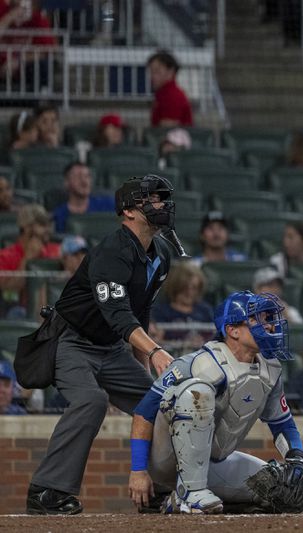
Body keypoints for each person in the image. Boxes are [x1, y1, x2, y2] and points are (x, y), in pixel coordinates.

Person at [26, 175, 176, 515]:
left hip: (111, 349)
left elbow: (141, 312)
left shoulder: (162, 253)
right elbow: (119, 315)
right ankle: (47, 490)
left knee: (161, 401)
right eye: (150, 200)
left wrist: (142, 366)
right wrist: (154, 350)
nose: (160, 205)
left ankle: (158, 488)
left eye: (161, 198)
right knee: (91, 400)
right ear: (128, 211)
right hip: (72, 341)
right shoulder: (112, 250)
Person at [127, 291, 303, 514]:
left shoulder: (270, 369)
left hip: (213, 461)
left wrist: (297, 456)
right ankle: (187, 493)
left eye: (268, 318)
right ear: (232, 330)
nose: (269, 326)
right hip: (166, 460)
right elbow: (143, 412)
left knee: (283, 490)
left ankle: (170, 501)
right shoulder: (197, 362)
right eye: (256, 319)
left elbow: (283, 424)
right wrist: (138, 471)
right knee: (196, 393)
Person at [0, 204, 60, 304]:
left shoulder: (55, 251)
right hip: (19, 313)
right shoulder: (4, 256)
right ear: (26, 227)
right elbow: (9, 294)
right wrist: (27, 259)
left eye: (48, 224)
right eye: (42, 224)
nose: (48, 229)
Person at [150, 261, 214, 349]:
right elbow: (156, 342)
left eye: (194, 288)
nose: (189, 292)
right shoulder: (159, 312)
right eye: (185, 288)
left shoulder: (205, 311)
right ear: (175, 287)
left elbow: (214, 338)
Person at [51, 162, 116, 233]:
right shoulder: (59, 214)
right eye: (78, 177)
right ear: (67, 182)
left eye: (87, 176)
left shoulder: (108, 205)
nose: (84, 181)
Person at [147, 50, 193, 127]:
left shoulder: (173, 96)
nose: (152, 76)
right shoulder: (162, 94)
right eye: (151, 71)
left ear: (171, 72)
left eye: (157, 71)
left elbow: (168, 129)